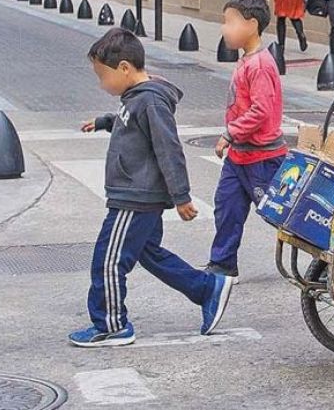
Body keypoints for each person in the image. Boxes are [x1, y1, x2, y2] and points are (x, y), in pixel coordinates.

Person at [70, 28, 233, 347]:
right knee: (149, 253)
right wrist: (105, 121)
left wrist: (182, 196)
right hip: (135, 193)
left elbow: (168, 148)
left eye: (103, 76)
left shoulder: (150, 100)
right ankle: (205, 288)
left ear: (125, 68)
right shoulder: (135, 98)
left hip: (135, 197)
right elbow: (130, 122)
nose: (102, 84)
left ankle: (112, 324)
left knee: (108, 260)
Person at [206, 0, 287, 280]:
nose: (223, 29)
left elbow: (261, 111)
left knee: (285, 216)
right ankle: (223, 264)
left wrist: (230, 133)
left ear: (251, 25)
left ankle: (326, 257)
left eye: (229, 22)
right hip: (239, 155)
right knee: (226, 207)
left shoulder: (261, 65)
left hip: (263, 158)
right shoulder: (247, 61)